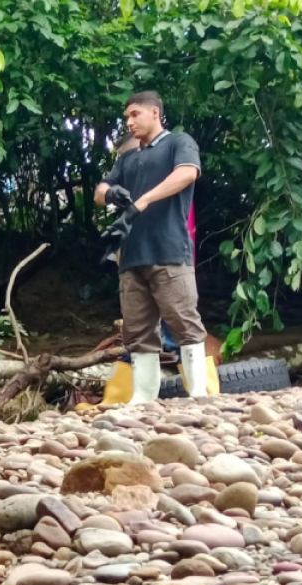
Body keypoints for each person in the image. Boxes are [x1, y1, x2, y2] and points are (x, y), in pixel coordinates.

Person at [95, 90, 211, 403]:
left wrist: (145, 198)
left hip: (170, 250)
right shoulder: (127, 157)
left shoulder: (179, 142)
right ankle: (143, 399)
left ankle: (198, 393)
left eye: (135, 114)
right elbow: (99, 189)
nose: (129, 122)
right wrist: (111, 193)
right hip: (131, 257)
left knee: (184, 320)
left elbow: (188, 172)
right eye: (126, 117)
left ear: (155, 113)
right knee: (137, 330)